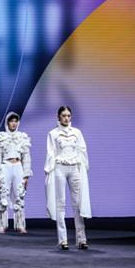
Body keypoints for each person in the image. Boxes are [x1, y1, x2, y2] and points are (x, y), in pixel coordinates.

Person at [44, 106, 91, 250]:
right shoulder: (53, 133)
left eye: (69, 115)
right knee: (61, 204)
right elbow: (50, 153)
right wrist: (48, 170)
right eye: (64, 115)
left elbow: (82, 150)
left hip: (74, 167)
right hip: (60, 168)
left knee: (77, 204)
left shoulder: (77, 132)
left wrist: (84, 167)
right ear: (58, 117)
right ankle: (63, 240)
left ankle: (82, 239)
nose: (66, 118)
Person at [0, 111, 32, 234]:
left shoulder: (22, 137)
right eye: (11, 121)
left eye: (15, 121)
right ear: (7, 123)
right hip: (5, 166)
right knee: (3, 195)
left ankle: (20, 225)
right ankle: (2, 225)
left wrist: (26, 175)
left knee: (19, 195)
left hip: (18, 166)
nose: (13, 123)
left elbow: (27, 158)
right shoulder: (1, 137)